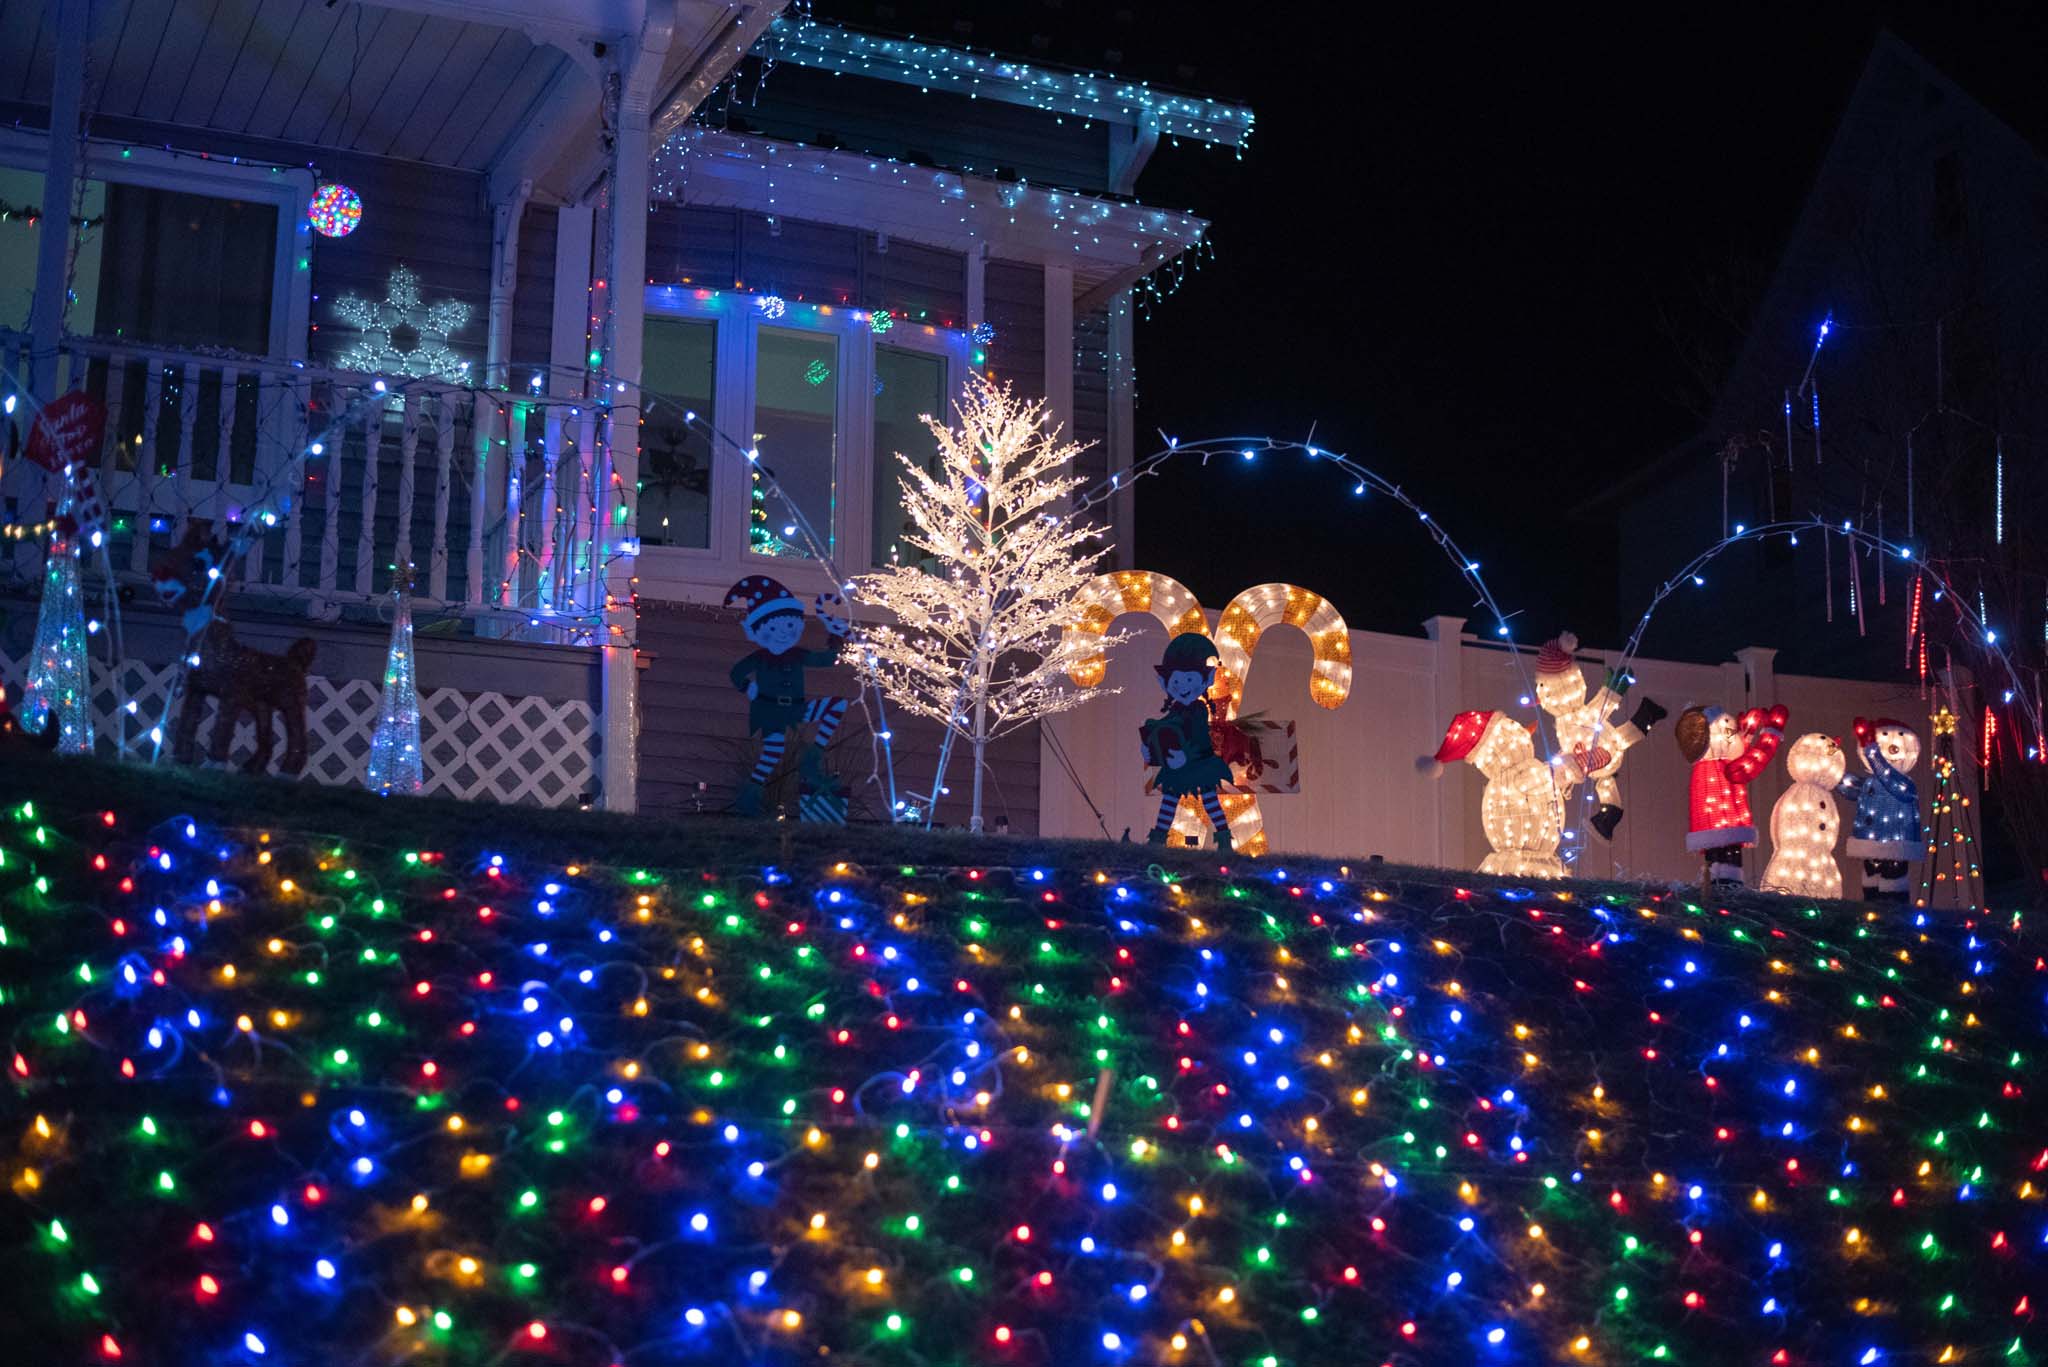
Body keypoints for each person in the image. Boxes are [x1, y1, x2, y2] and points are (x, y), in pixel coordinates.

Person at [725, 575, 850, 816]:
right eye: (773, 628)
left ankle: (811, 759)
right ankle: (749, 800)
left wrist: (836, 641)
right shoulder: (760, 658)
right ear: (757, 631)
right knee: (771, 754)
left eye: (790, 626)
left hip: (796, 708)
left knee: (837, 705)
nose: (783, 633)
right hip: (770, 712)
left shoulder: (797, 655)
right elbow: (736, 672)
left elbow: (824, 659)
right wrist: (748, 688)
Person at [1140, 632, 1236, 851]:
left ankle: (1224, 840)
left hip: (1199, 763)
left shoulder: (1199, 710)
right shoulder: (1175, 710)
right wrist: (1148, 748)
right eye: (1177, 680)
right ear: (1165, 683)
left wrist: (1186, 755)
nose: (1183, 686)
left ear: (1207, 680)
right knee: (1169, 799)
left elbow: (1198, 736)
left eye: (1190, 679)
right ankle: (1157, 839)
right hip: (1178, 765)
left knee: (1210, 799)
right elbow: (1164, 728)